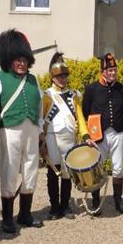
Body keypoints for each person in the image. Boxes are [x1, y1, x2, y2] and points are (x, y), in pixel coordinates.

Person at [0, 29, 44, 233]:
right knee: (9, 171)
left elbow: (39, 107)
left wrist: (40, 130)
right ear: (9, 59)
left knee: (31, 170)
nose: (21, 63)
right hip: (9, 130)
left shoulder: (33, 80)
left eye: (24, 59)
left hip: (31, 129)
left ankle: (25, 214)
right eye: (17, 59)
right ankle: (7, 218)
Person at [42, 51, 89, 220]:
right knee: (54, 172)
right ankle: (54, 207)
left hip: (69, 137)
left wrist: (85, 135)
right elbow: (42, 118)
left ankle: (65, 205)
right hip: (52, 137)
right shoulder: (47, 95)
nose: (62, 79)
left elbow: (80, 118)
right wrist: (41, 140)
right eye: (59, 76)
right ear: (53, 77)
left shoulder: (74, 95)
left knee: (67, 173)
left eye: (64, 76)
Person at [82, 53, 123, 215]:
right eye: (109, 70)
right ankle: (96, 201)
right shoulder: (91, 89)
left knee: (118, 168)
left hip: (118, 133)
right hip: (98, 134)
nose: (113, 73)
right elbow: (86, 111)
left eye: (114, 70)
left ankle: (118, 201)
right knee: (97, 168)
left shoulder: (122, 89)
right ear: (102, 71)